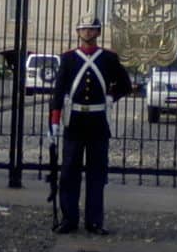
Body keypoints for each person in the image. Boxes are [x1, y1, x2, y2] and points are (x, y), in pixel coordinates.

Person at [48, 12, 133, 234]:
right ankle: (69, 219)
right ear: (78, 32)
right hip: (74, 121)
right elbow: (57, 92)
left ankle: (95, 221)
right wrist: (55, 122)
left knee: (97, 174)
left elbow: (125, 84)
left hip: (97, 122)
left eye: (91, 29)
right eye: (83, 29)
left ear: (97, 32)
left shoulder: (108, 58)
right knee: (69, 173)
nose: (87, 32)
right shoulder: (68, 58)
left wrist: (111, 97)